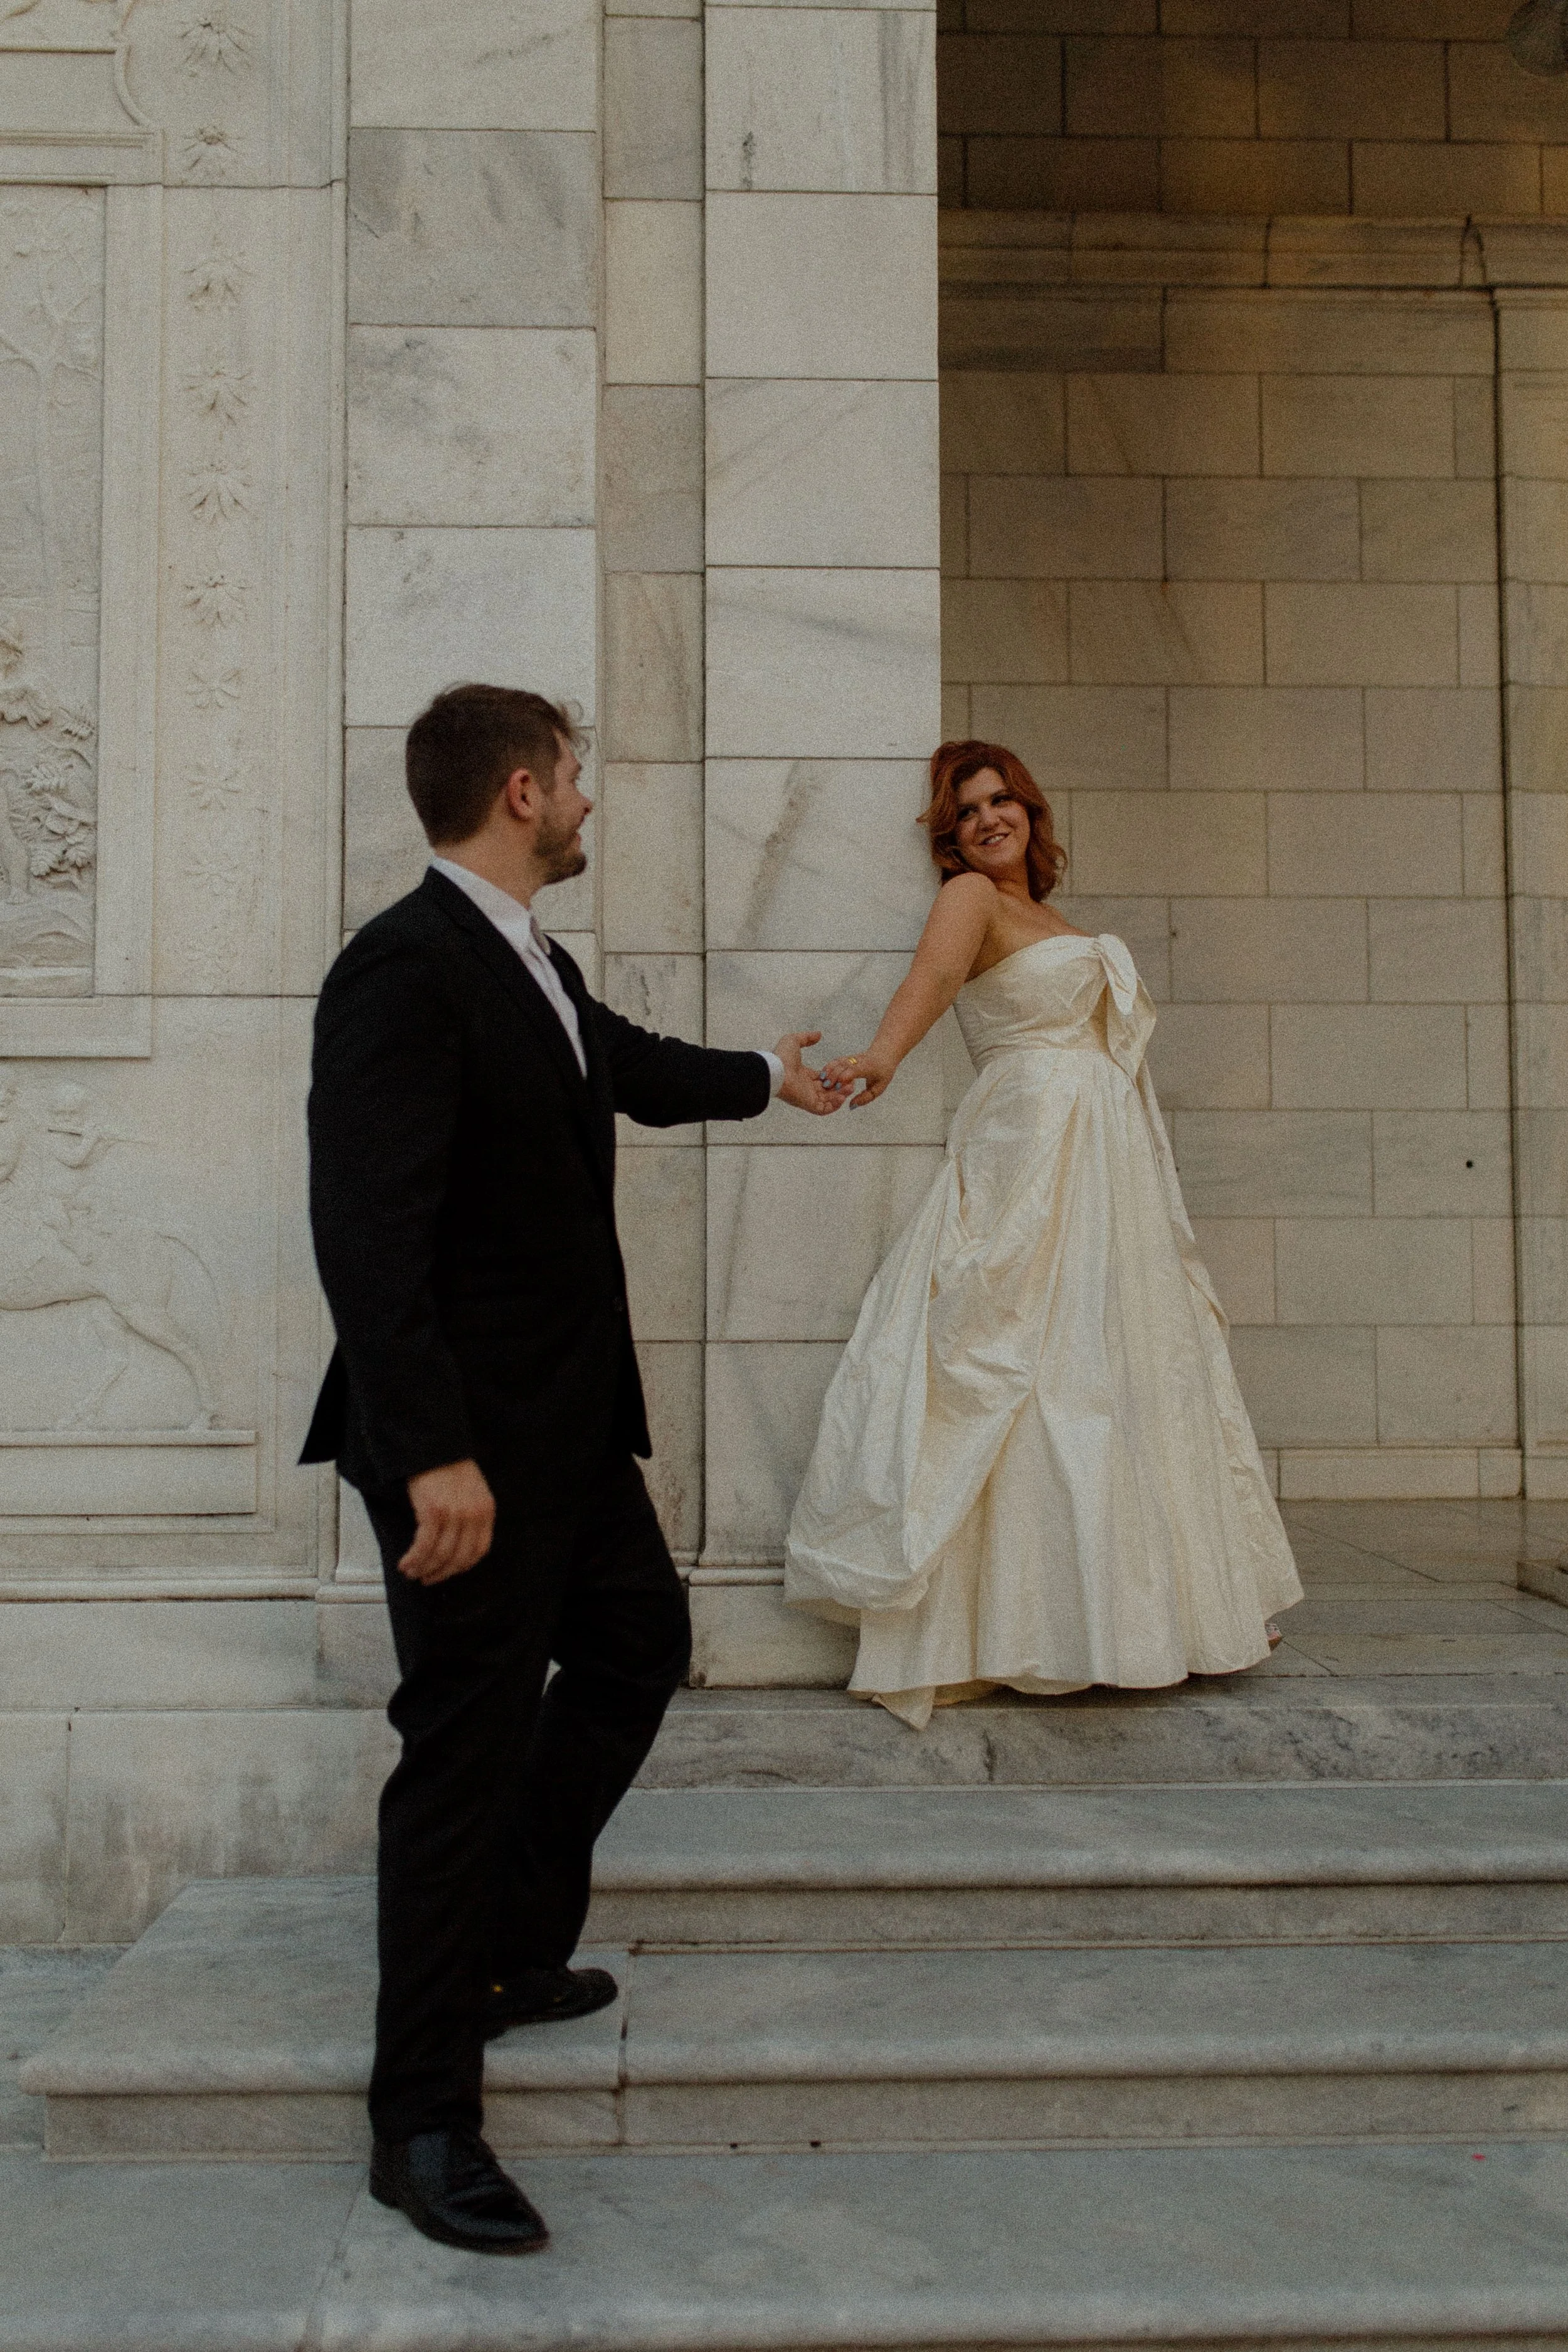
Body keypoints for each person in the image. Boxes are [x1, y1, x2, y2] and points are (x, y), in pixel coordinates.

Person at [302, 682, 843, 2255]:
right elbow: (367, 1236)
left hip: (567, 1433)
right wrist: (434, 1461)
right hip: (467, 1453)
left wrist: (765, 1077)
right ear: (524, 790)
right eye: (580, 785)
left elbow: (612, 1060)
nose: (592, 807)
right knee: (458, 1759)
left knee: (634, 1649)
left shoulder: (528, 958)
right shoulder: (400, 970)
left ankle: (506, 1948)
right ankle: (418, 2118)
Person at [783, 739, 1301, 1729]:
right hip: (1033, 1149)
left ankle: (1185, 1608)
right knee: (1030, 1369)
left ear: (1031, 808)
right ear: (951, 837)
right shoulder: (968, 902)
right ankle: (1030, 1622)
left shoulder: (1053, 919)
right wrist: (882, 1057)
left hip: (1109, 1166)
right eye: (966, 811)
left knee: (1131, 1371)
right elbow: (927, 990)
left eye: (1000, 800)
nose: (987, 819)